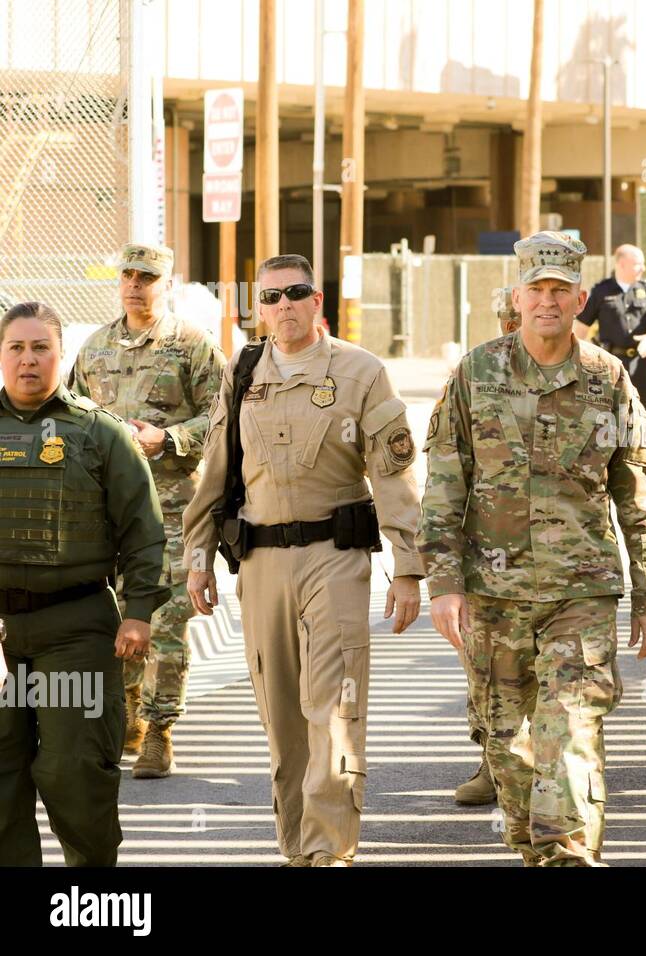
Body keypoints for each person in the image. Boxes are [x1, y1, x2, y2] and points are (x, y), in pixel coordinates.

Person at [421, 231, 646, 867]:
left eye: (559, 290)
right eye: (535, 289)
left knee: (569, 731)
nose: (547, 301)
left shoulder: (608, 378)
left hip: (581, 591)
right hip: (493, 591)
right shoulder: (476, 373)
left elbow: (639, 492)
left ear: (579, 298)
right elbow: (445, 486)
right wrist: (444, 583)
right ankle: (536, 846)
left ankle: (569, 853)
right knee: (507, 742)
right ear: (518, 295)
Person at [182, 253, 425, 867]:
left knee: (333, 709)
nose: (283, 305)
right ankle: (297, 848)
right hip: (261, 565)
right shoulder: (241, 376)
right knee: (282, 719)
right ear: (258, 308)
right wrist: (198, 555)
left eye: (295, 293)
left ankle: (328, 851)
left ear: (319, 301)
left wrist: (411, 567)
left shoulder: (361, 371)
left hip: (334, 559)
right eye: (270, 297)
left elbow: (394, 478)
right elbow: (216, 473)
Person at [0, 301, 168, 866]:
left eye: (40, 347)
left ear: (60, 354)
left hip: (75, 628)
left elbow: (143, 532)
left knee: (73, 770)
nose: (28, 360)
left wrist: (140, 610)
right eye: (16, 348)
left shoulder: (101, 434)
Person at [69, 242, 227, 779]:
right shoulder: (93, 349)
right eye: (128, 275)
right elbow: (71, 419)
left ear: (167, 283)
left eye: (147, 276)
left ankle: (161, 729)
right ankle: (131, 711)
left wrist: (172, 438)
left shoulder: (192, 347)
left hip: (173, 510)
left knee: (166, 620)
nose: (135, 284)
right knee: (116, 615)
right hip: (108, 513)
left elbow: (226, 418)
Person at [451, 284, 526, 809]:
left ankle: (544, 785)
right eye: (503, 319)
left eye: (512, 319)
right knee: (486, 673)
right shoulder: (474, 377)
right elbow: (446, 473)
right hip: (488, 557)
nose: (509, 328)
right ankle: (491, 761)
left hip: (559, 565)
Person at [576, 243, 646, 409]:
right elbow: (581, 327)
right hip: (608, 364)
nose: (643, 268)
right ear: (621, 264)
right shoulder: (600, 291)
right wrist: (578, 362)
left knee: (641, 410)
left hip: (640, 364)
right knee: (607, 411)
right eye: (638, 264)